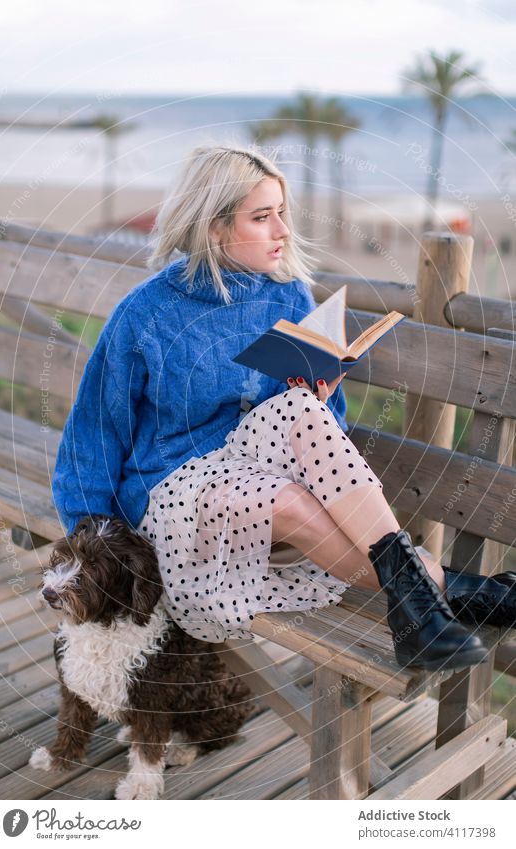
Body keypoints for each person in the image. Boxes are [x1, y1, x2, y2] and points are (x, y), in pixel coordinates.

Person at [52, 144, 516, 671]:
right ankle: (464, 593)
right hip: (171, 493)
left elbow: (323, 428)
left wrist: (317, 395)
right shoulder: (146, 313)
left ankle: (419, 616)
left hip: (253, 471)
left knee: (300, 409)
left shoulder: (288, 295)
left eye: (282, 214)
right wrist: (88, 533)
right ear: (215, 227)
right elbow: (95, 428)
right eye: (262, 217)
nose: (282, 230)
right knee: (292, 502)